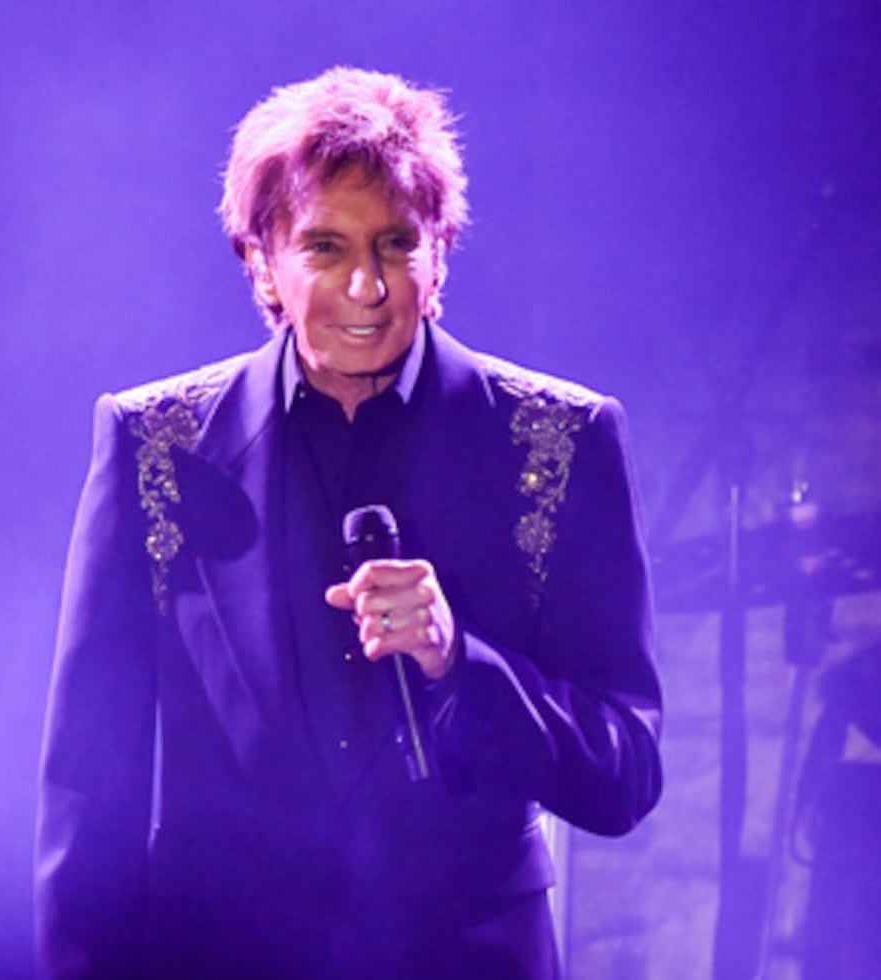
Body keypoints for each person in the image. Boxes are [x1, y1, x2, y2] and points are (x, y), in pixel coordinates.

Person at [35, 66, 662, 979]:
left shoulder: (560, 442)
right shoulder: (155, 445)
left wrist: (463, 661)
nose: (367, 286)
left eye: (397, 243)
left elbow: (625, 771)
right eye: (325, 247)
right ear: (262, 260)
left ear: (439, 252)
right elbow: (91, 788)